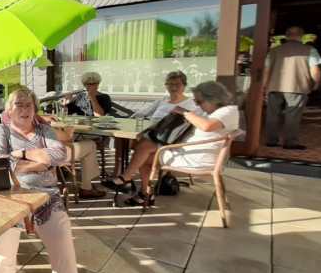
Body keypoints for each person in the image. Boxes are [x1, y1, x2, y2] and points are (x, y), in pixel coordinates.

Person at [0, 87, 107, 273]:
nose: (24, 108)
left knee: (63, 246)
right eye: (18, 104)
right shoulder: (1, 132)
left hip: (46, 197)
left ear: (35, 108)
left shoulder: (44, 130)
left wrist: (20, 156)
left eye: (28, 104)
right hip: (10, 198)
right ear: (8, 110)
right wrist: (39, 160)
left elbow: (60, 155)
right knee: (2, 252)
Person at [102, 81, 239, 205]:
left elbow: (207, 126)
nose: (197, 104)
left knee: (144, 148)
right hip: (190, 151)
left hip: (197, 157)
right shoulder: (215, 111)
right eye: (195, 101)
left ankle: (128, 180)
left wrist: (185, 112)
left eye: (199, 101)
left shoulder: (228, 111)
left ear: (213, 98)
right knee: (145, 148)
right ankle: (140, 190)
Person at [263, 26, 321, 150]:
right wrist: (316, 83)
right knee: (293, 116)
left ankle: (271, 141)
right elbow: (315, 70)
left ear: (286, 36)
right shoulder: (310, 50)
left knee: (272, 114)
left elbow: (266, 70)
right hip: (297, 87)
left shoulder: (274, 51)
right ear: (301, 36)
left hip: (274, 86)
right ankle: (290, 143)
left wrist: (264, 86)